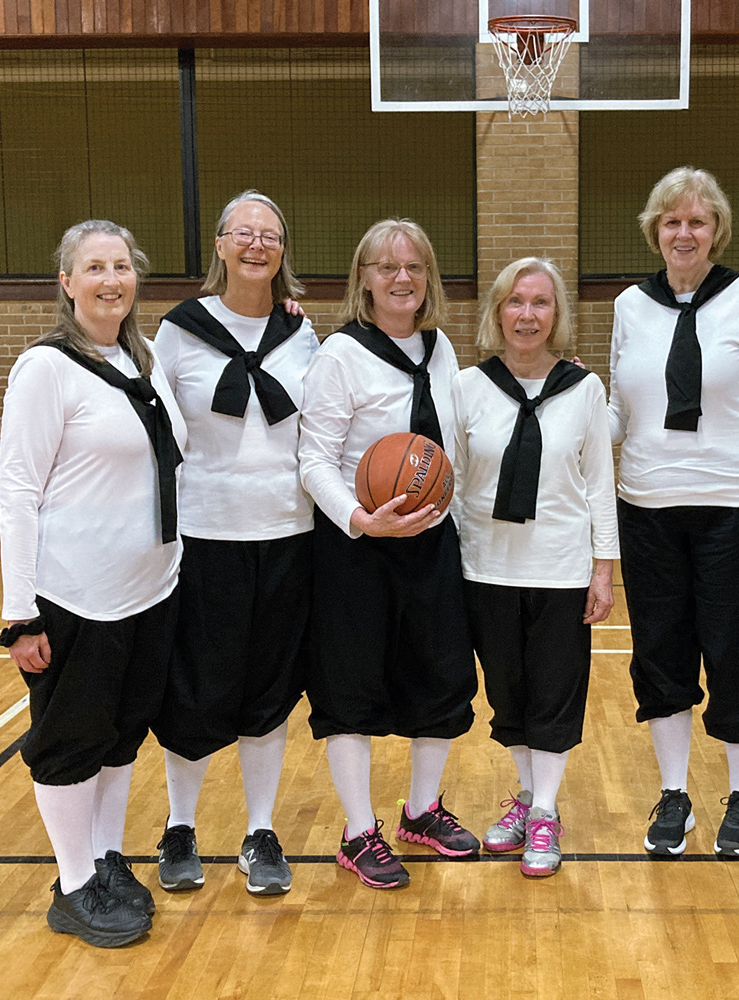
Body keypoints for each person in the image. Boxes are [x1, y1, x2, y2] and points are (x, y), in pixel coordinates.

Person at [0, 219, 185, 946]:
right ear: (67, 282)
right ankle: (74, 885)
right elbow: (17, 490)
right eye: (94, 268)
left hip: (149, 590)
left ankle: (107, 861)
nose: (112, 279)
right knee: (70, 741)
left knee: (119, 737)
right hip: (75, 595)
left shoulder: (144, 360)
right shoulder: (46, 368)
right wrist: (21, 614)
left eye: (122, 266)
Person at [608, 166, 739, 857]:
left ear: (716, 230)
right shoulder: (631, 304)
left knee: (736, 651)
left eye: (697, 221)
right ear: (655, 231)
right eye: (671, 221)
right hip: (649, 505)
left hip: (734, 505)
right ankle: (675, 793)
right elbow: (621, 409)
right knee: (661, 654)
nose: (683, 233)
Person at [298, 218, 479, 890]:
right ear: (363, 278)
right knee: (351, 686)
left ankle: (423, 811)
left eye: (414, 266)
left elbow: (450, 446)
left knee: (442, 674)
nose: (401, 278)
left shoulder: (441, 349)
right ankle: (356, 831)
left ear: (428, 275)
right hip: (358, 548)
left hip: (430, 542)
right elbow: (312, 457)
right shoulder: (340, 355)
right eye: (386, 266)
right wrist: (358, 519)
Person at [150, 191, 317, 897]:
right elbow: (155, 437)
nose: (257, 245)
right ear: (219, 245)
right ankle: (180, 827)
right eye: (243, 233)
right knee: (195, 687)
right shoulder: (179, 331)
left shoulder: (304, 334)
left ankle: (259, 831)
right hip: (206, 536)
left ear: (283, 251)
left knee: (269, 689)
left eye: (270, 236)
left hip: (288, 533)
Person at [448, 257, 618, 878]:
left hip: (562, 566)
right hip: (486, 567)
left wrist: (604, 569)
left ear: (557, 316)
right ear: (498, 312)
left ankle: (545, 809)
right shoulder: (467, 387)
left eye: (541, 303)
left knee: (555, 695)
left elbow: (600, 483)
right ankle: (526, 797)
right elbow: (455, 480)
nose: (527, 314)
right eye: (516, 302)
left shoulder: (585, 389)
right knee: (509, 698)